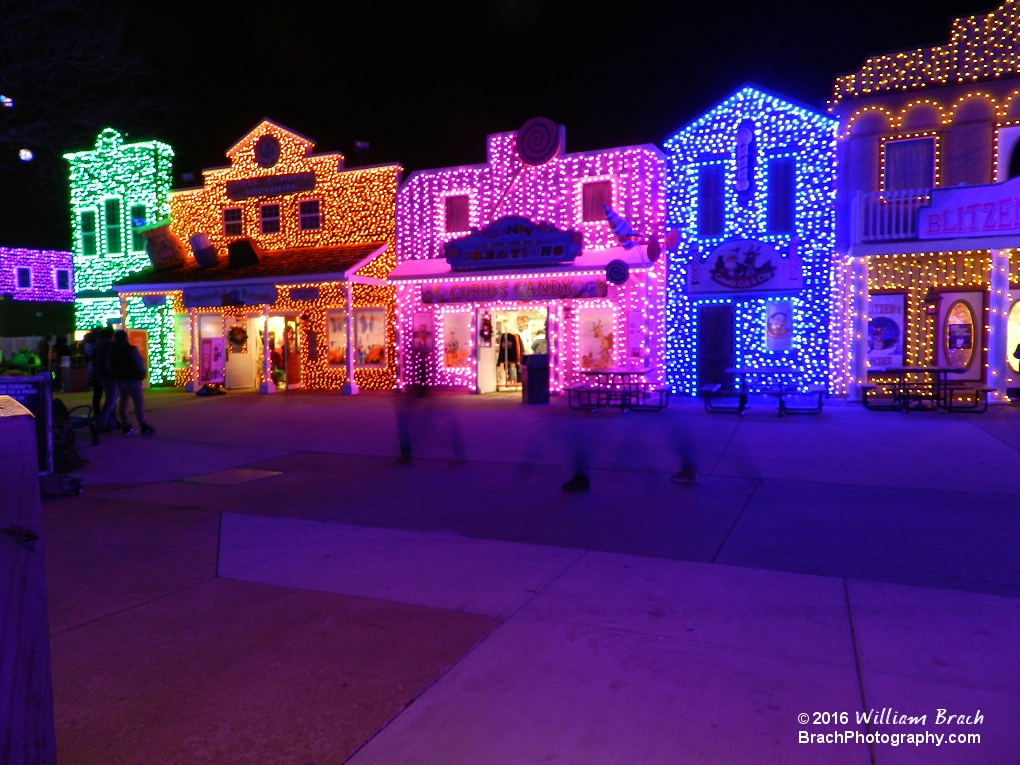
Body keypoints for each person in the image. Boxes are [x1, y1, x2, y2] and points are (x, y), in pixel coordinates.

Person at [108, 330, 155, 435]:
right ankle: (143, 425)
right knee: (138, 402)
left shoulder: (112, 350)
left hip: (120, 379)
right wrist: (142, 374)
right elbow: (139, 363)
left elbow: (110, 366)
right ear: (126, 338)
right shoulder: (131, 349)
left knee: (123, 402)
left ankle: (126, 425)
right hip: (132, 379)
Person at [94, 328, 118, 430]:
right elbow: (110, 362)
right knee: (111, 399)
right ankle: (103, 423)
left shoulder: (98, 346)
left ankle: (109, 422)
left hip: (101, 374)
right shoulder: (110, 346)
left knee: (110, 399)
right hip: (109, 376)